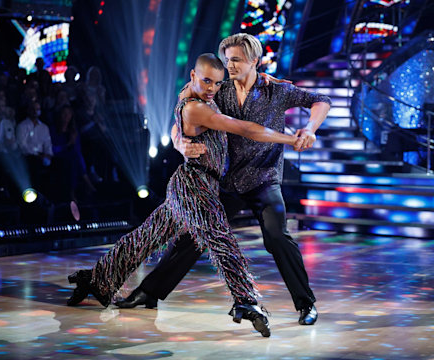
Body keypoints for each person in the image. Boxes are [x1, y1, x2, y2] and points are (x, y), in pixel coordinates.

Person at [66, 53, 304, 337]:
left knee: (145, 237)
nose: (212, 88)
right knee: (220, 239)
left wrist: (266, 79)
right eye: (206, 81)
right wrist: (291, 138)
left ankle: (98, 280)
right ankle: (247, 301)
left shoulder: (194, 94)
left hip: (194, 183)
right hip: (195, 185)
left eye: (216, 83)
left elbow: (177, 124)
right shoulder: (196, 108)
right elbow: (243, 128)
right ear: (193, 76)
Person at [116, 33, 331, 326]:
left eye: (236, 60)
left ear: (255, 60)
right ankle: (148, 292)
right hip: (225, 181)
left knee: (277, 236)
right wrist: (179, 143)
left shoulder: (276, 90)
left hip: (263, 179)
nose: (229, 66)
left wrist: (309, 128)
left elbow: (320, 100)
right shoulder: (216, 88)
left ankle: (306, 304)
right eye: (227, 59)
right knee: (194, 236)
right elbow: (180, 116)